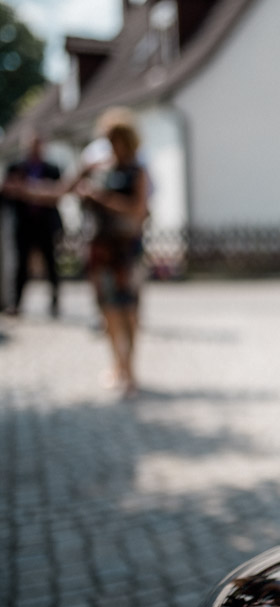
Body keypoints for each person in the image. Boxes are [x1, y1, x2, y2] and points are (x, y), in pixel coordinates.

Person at [75, 112, 149, 398]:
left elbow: (138, 209)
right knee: (107, 310)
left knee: (128, 310)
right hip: (101, 246)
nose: (112, 145)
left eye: (115, 139)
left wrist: (102, 199)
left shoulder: (137, 171)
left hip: (126, 249)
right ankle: (116, 365)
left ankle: (130, 370)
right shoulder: (101, 169)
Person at [0, 133, 63, 317]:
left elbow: (57, 193)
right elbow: (6, 191)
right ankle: (17, 303)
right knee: (20, 265)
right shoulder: (15, 167)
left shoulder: (52, 168)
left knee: (51, 263)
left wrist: (28, 190)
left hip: (45, 223)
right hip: (24, 223)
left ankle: (55, 302)